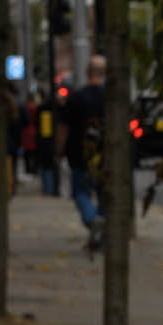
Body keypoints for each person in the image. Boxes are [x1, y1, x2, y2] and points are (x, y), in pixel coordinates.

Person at [53, 58, 106, 252]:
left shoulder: (76, 98)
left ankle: (92, 220)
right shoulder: (110, 97)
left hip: (79, 153)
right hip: (105, 154)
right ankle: (99, 225)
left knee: (81, 191)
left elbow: (63, 127)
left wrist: (59, 151)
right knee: (104, 192)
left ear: (87, 72)